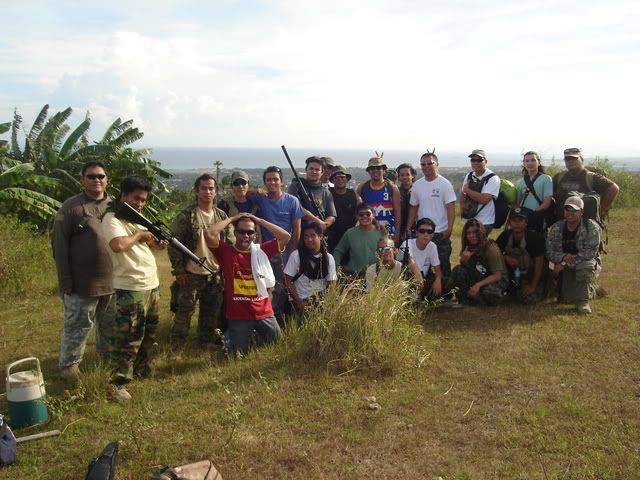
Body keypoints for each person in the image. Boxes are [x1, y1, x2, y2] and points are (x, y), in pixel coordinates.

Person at [102, 176, 167, 402]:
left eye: (143, 200)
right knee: (128, 336)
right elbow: (118, 245)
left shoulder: (136, 219)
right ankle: (117, 384)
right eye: (136, 199)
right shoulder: (112, 219)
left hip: (151, 284)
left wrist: (155, 242)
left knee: (149, 333)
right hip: (130, 287)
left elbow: (147, 243)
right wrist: (140, 235)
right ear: (124, 196)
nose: (140, 204)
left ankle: (142, 368)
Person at [52, 161, 115, 382]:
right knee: (77, 327)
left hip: (113, 283)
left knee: (109, 329)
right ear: (82, 180)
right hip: (82, 283)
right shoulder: (71, 207)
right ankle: (69, 366)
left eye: (101, 176)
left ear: (107, 179)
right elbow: (59, 246)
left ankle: (107, 363)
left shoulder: (115, 206)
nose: (96, 180)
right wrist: (65, 280)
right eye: (91, 176)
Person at [205, 213, 291, 355]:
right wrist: (232, 218)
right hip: (239, 315)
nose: (246, 235)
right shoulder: (226, 252)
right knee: (236, 354)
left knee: (276, 345)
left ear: (255, 235)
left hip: (263, 312)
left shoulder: (261, 251)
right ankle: (231, 337)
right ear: (235, 232)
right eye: (241, 231)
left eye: (250, 232)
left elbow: (285, 236)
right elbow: (209, 233)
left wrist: (259, 220)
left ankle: (249, 337)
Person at [168, 173, 234, 347]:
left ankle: (204, 342)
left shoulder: (221, 217)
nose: (207, 192)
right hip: (192, 273)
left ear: (216, 191)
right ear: (196, 191)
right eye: (203, 188)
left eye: (211, 188)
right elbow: (174, 243)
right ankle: (177, 345)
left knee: (210, 311)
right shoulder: (187, 215)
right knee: (185, 311)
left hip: (214, 273)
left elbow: (230, 244)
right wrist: (179, 270)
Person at [250, 166, 304, 324]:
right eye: (269, 180)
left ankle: (277, 321)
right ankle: (261, 319)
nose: (272, 182)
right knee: (263, 286)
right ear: (264, 182)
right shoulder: (261, 198)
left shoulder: (291, 201)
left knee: (281, 288)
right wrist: (256, 190)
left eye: (275, 179)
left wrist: (293, 252)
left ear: (282, 181)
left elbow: (297, 228)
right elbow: (245, 194)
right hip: (265, 252)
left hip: (284, 252)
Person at [546, 196, 601, 314]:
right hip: (564, 264)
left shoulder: (591, 227)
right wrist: (563, 258)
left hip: (585, 263)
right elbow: (549, 252)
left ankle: (583, 302)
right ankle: (592, 289)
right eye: (567, 209)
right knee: (567, 299)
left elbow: (589, 253)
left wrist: (565, 263)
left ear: (581, 212)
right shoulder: (556, 228)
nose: (570, 213)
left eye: (574, 210)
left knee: (585, 266)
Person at [406, 152, 456, 278]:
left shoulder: (445, 184)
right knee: (422, 264)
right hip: (423, 232)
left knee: (442, 264)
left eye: (430, 163)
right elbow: (413, 208)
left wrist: (449, 228)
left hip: (440, 232)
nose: (426, 166)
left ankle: (446, 292)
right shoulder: (417, 185)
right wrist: (408, 227)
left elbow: (451, 208)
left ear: (437, 164)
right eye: (423, 164)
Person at [552, 147, 619, 223]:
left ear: (581, 160)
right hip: (562, 223)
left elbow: (614, 188)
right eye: (567, 159)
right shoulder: (559, 177)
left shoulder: (591, 177)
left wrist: (600, 210)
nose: (571, 161)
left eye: (574, 159)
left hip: (586, 224)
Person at [496, 207, 547, 304]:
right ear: (510, 223)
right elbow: (495, 253)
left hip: (532, 277)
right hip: (514, 276)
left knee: (529, 300)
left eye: (521, 220)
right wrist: (506, 257)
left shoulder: (535, 238)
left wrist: (533, 286)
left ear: (526, 223)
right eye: (514, 220)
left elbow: (539, 264)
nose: (517, 223)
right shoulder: (505, 236)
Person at [452, 219, 509, 306]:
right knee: (457, 270)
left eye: (475, 232)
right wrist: (463, 260)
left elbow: (497, 275)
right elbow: (467, 268)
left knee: (489, 293)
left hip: (497, 280)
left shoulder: (491, 249)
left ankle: (502, 297)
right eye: (468, 233)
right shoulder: (469, 247)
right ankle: (465, 300)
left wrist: (478, 285)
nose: (472, 236)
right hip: (481, 275)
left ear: (481, 233)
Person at [284, 223, 337, 313]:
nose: (309, 239)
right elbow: (287, 281)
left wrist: (326, 301)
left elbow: (331, 283)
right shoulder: (296, 255)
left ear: (321, 237)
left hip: (320, 300)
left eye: (313, 236)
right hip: (300, 300)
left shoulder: (329, 258)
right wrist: (299, 302)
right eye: (306, 237)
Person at [401, 218, 453, 301]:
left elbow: (438, 270)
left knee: (447, 282)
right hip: (409, 280)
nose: (426, 234)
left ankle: (428, 299)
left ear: (433, 235)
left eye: (429, 232)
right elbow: (411, 263)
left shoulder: (432, 246)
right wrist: (418, 276)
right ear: (417, 232)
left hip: (423, 280)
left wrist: (438, 279)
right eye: (422, 231)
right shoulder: (407, 243)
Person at [357, 156, 401, 244]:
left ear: (383, 170)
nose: (375, 170)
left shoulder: (392, 188)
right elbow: (358, 212)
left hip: (388, 232)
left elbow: (397, 212)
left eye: (378, 168)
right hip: (369, 231)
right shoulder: (362, 187)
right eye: (372, 168)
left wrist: (397, 234)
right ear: (368, 171)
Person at [333, 203, 384, 278]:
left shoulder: (381, 232)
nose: (364, 216)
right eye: (361, 214)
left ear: (373, 215)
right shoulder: (350, 233)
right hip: (354, 276)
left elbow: (388, 251)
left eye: (368, 214)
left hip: (376, 275)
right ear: (357, 217)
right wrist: (336, 267)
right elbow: (338, 251)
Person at [288, 156, 336, 231]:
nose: (314, 172)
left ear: (322, 172)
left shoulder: (326, 191)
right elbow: (297, 209)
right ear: (306, 170)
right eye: (311, 169)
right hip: (299, 231)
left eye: (317, 170)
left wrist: (324, 225)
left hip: (318, 233)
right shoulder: (295, 186)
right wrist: (317, 221)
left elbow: (332, 216)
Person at [460, 149, 501, 235]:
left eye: (479, 160)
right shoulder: (469, 175)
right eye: (473, 160)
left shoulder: (493, 178)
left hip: (484, 222)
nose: (476, 163)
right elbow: (463, 195)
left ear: (485, 161)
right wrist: (462, 211)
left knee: (480, 247)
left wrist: (467, 190)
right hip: (468, 221)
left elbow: (484, 199)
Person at [515, 151, 553, 232]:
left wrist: (533, 215)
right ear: (524, 164)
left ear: (538, 162)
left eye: (533, 160)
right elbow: (517, 204)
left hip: (539, 217)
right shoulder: (520, 182)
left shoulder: (546, 179)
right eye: (527, 161)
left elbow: (546, 203)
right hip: (523, 219)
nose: (530, 163)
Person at [218, 171, 261, 238]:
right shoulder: (224, 204)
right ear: (232, 186)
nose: (240, 186)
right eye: (236, 184)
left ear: (248, 185)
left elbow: (258, 229)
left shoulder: (255, 205)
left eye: (243, 183)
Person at [328, 165, 360, 252]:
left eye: (343, 177)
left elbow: (363, 210)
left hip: (350, 237)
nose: (340, 180)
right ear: (333, 180)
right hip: (331, 237)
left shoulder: (353, 194)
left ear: (347, 179)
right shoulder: (328, 193)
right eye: (337, 177)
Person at [396, 162, 417, 238]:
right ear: (398, 177)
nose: (405, 177)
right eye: (402, 175)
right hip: (399, 231)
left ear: (413, 175)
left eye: (407, 174)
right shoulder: (396, 192)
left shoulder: (418, 191)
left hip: (416, 231)